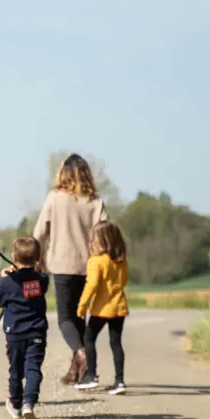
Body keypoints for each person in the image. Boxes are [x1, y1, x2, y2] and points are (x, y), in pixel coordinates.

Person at [32, 154, 108, 386]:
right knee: (79, 317)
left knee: (65, 319)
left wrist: (36, 258)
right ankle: (79, 372)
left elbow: (40, 232)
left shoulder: (55, 198)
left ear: (63, 174)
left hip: (62, 264)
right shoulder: (95, 201)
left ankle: (80, 353)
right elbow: (105, 233)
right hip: (89, 266)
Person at [0, 237, 49, 419]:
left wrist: (6, 276)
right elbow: (39, 277)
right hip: (37, 333)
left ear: (14, 257)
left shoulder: (7, 282)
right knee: (33, 368)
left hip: (14, 334)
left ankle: (16, 404)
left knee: (16, 370)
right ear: (38, 257)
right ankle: (29, 403)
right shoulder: (42, 280)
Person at [75, 220, 129, 394]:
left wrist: (82, 306)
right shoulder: (121, 261)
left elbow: (91, 285)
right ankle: (119, 381)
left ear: (100, 240)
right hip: (119, 306)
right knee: (116, 343)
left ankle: (92, 376)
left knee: (89, 338)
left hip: (102, 308)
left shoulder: (96, 261)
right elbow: (123, 281)